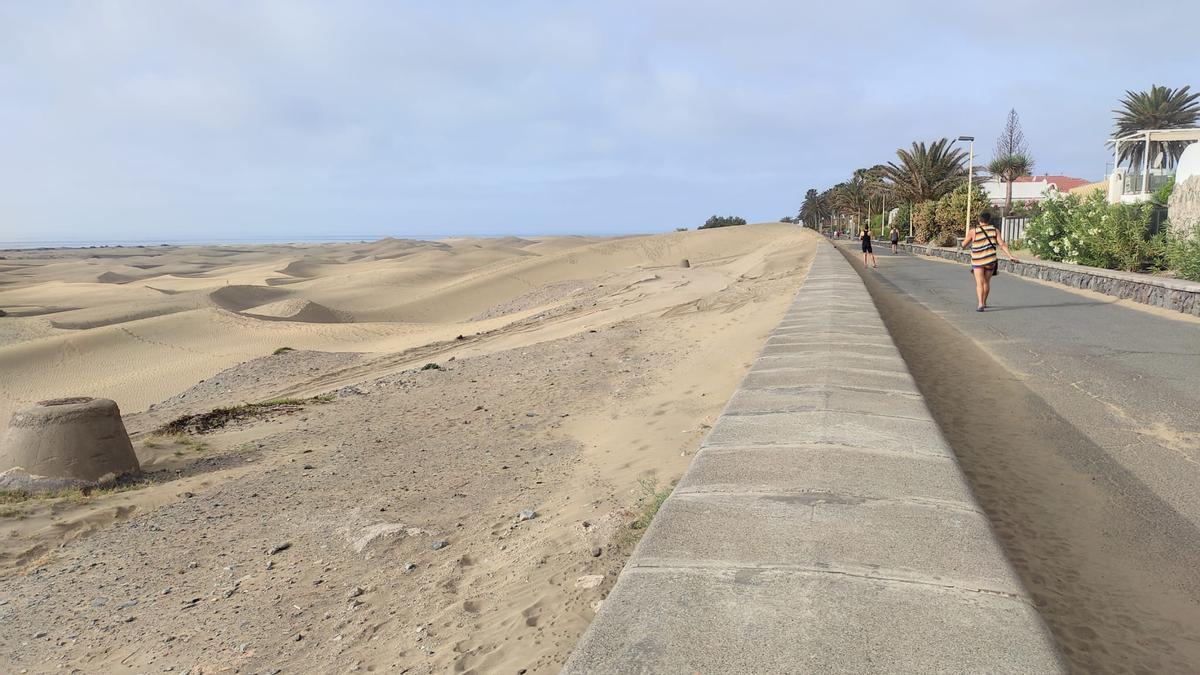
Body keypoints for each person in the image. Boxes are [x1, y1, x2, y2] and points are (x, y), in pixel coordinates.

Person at [963, 212, 1018, 312]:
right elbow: (1002, 244)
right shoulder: (995, 230)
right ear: (989, 220)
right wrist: (1010, 256)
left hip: (978, 260)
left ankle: (980, 304)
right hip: (990, 260)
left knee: (979, 283)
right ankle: (984, 302)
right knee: (987, 282)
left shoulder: (973, 231)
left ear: (979, 220)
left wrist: (968, 241)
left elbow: (963, 244)